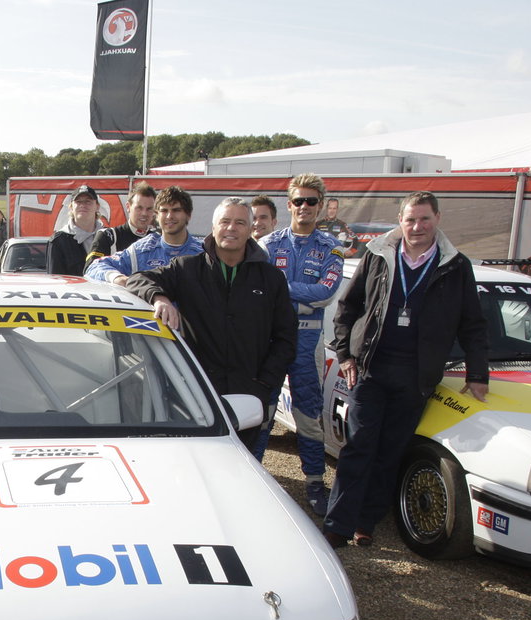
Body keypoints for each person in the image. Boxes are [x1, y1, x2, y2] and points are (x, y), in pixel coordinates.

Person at [324, 191, 489, 548]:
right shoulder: (378, 255)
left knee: (389, 452)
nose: (417, 227)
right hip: (369, 369)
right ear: (400, 221)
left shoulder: (456, 265)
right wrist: (346, 355)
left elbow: (473, 324)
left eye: (424, 219)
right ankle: (338, 523)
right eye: (410, 219)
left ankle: (365, 523)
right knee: (359, 446)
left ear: (438, 219)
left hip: (416, 376)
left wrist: (478, 374)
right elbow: (347, 308)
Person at [125, 197, 298, 450]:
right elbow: (138, 279)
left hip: (248, 393)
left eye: (240, 222)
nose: (231, 228)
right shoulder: (187, 268)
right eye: (225, 221)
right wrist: (159, 297)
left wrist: (263, 383)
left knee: (243, 463)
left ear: (251, 230)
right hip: (196, 391)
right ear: (213, 227)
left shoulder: (271, 279)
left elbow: (286, 338)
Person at [256, 174, 346, 493]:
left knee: (308, 413)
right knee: (263, 410)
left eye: (311, 201)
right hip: (270, 339)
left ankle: (314, 481)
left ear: (320, 206)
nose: (304, 207)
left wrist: (280, 289)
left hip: (308, 343)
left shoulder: (331, 248)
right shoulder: (268, 245)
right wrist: (295, 294)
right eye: (298, 201)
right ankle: (253, 474)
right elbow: (258, 290)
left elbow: (324, 294)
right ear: (289, 204)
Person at [84, 185, 202, 285]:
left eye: (176, 210)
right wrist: (119, 278)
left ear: (188, 214)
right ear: (157, 215)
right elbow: (93, 267)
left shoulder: (204, 251)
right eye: (164, 211)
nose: (169, 216)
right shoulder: (141, 250)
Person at [88, 182, 156, 264]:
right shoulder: (108, 237)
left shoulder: (158, 240)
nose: (144, 213)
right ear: (128, 207)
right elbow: (91, 269)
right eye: (139, 208)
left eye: (149, 209)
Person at [47, 185, 100, 275]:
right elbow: (56, 280)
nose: (83, 205)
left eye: (88, 202)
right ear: (71, 207)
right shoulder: (58, 241)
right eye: (78, 202)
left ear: (97, 206)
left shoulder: (109, 236)